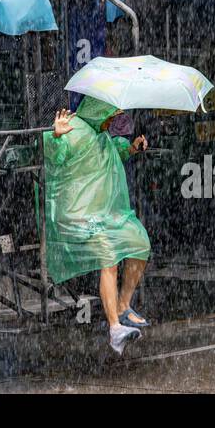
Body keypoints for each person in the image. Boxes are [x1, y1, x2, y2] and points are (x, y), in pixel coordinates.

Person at [43, 97, 152, 354]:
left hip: (104, 215)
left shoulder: (101, 135)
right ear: (99, 110)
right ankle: (115, 328)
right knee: (109, 255)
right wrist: (56, 137)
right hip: (76, 217)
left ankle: (123, 305)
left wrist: (133, 148)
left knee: (139, 241)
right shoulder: (74, 127)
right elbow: (53, 157)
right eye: (111, 116)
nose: (113, 121)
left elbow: (114, 150)